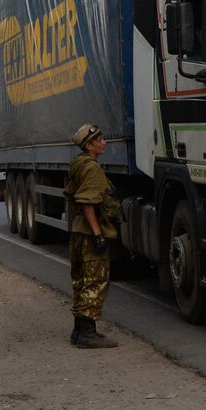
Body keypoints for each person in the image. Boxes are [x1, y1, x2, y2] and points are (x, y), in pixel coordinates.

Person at [65, 123, 121, 349]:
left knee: (80, 281)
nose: (104, 142)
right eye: (100, 139)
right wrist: (98, 234)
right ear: (90, 145)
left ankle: (79, 330)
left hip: (78, 230)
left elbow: (71, 195)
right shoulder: (92, 168)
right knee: (95, 281)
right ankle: (88, 334)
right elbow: (88, 202)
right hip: (89, 232)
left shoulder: (78, 164)